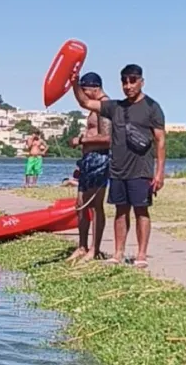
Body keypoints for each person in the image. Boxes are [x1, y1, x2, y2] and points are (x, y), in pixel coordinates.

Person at [72, 63, 165, 268]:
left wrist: (159, 173)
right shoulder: (116, 107)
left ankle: (141, 254)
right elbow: (86, 102)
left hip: (141, 169)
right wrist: (73, 82)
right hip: (118, 169)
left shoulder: (152, 107)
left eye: (133, 81)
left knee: (141, 211)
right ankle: (118, 252)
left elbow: (160, 141)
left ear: (141, 81)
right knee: (120, 211)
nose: (128, 85)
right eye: (125, 81)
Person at [66, 72, 112, 264]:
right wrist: (73, 83)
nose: (84, 96)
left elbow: (108, 138)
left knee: (95, 206)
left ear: (94, 88)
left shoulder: (105, 107)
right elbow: (81, 101)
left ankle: (95, 248)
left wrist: (81, 140)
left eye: (85, 90)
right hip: (88, 160)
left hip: (99, 159)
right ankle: (82, 246)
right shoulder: (94, 107)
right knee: (80, 205)